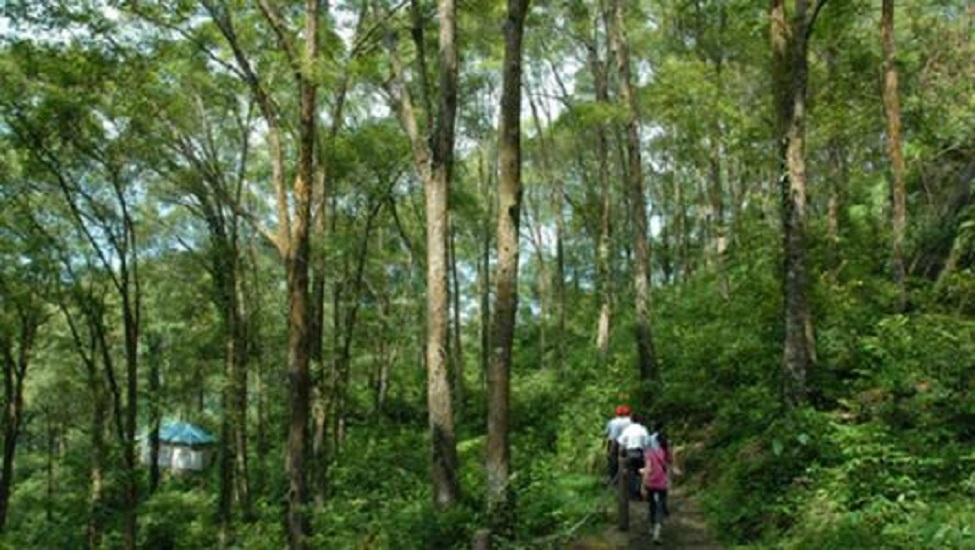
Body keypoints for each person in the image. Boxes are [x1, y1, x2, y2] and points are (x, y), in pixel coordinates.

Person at [640, 431, 681, 545]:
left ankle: (651, 527)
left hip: (650, 483)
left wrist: (642, 485)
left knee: (652, 505)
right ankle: (657, 532)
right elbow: (672, 467)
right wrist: (673, 477)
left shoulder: (650, 453)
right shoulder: (668, 452)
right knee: (660, 506)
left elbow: (647, 469)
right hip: (662, 484)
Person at [616, 413, 650, 499]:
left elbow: (621, 442)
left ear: (631, 420)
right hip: (640, 453)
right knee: (640, 473)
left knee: (630, 474)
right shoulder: (643, 429)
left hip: (629, 453)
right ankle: (639, 492)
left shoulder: (627, 430)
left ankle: (632, 494)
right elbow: (647, 443)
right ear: (639, 420)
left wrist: (620, 454)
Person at [604, 405, 631, 483]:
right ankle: (626, 478)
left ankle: (612, 478)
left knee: (612, 461)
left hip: (613, 442)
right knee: (626, 461)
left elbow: (606, 433)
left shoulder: (612, 421)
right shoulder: (630, 421)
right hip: (626, 443)